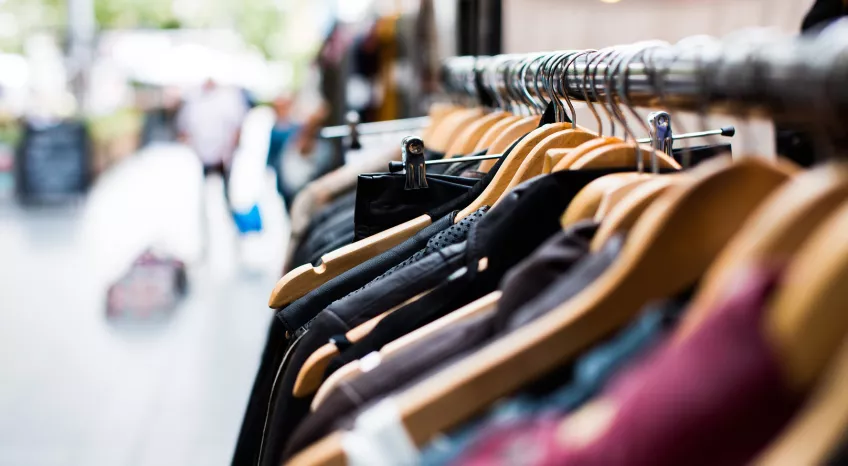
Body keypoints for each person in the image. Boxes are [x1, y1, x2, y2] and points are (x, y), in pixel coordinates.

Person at [176, 78, 249, 253]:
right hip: (202, 156)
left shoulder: (227, 99)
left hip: (222, 156)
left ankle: (233, 234)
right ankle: (205, 237)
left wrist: (229, 151)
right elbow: (184, 129)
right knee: (202, 199)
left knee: (226, 197)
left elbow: (237, 127)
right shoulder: (195, 102)